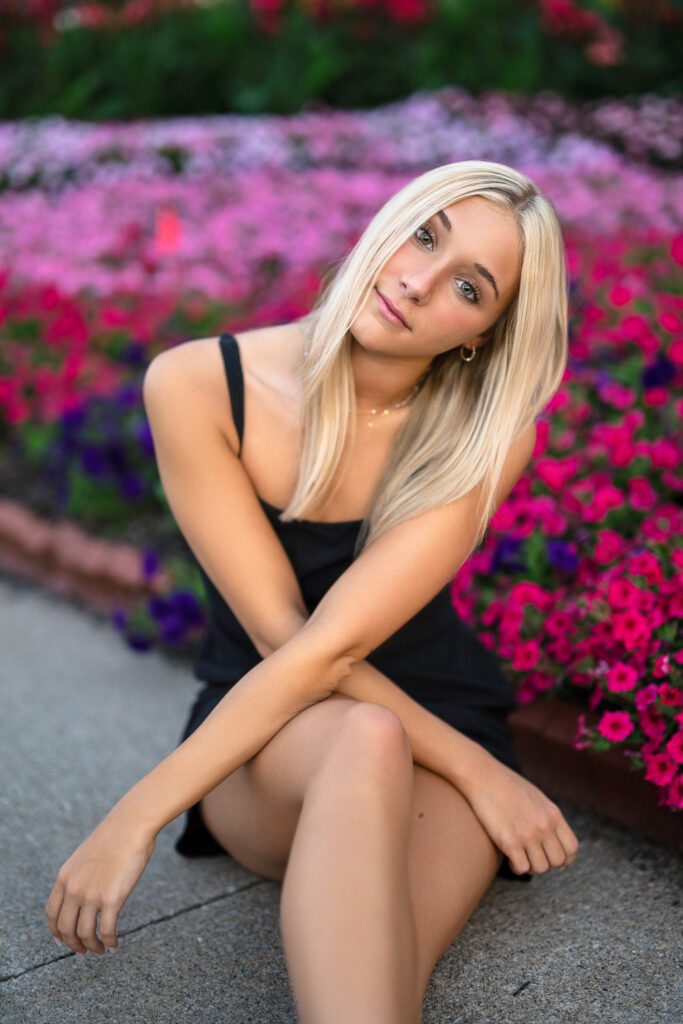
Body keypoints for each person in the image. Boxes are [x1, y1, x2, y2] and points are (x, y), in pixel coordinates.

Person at [45, 159, 580, 1023]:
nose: (416, 278)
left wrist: (472, 766)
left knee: (374, 991)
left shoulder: (484, 438)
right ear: (390, 218)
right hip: (270, 741)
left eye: (468, 287)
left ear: (479, 333)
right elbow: (289, 639)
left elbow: (344, 644)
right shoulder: (198, 384)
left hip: (440, 726)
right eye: (424, 233)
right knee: (362, 735)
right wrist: (134, 817)